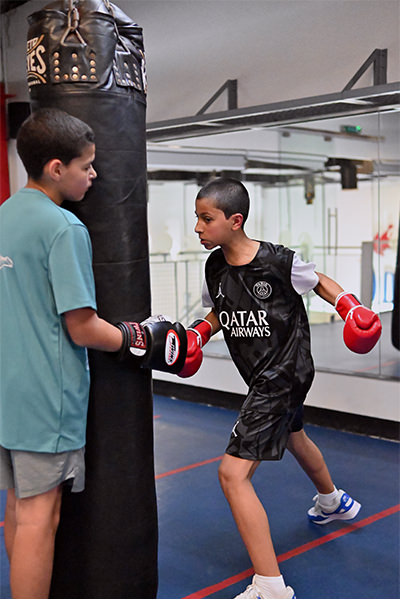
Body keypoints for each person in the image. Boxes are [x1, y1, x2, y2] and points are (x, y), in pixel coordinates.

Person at [0, 108, 185, 599]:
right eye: (86, 165)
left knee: (18, 508)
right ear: (57, 168)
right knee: (43, 515)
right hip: (47, 396)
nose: (94, 175)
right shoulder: (64, 228)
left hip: (6, 393)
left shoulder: (3, 216)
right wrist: (137, 337)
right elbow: (82, 328)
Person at [178, 177, 381, 599]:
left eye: (205, 218)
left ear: (235, 221)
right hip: (260, 375)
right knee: (294, 436)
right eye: (197, 218)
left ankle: (270, 586)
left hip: (283, 373)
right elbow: (220, 312)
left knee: (232, 475)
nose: (197, 227)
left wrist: (351, 308)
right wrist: (198, 332)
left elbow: (320, 280)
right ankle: (332, 501)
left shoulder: (278, 261)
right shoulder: (214, 267)